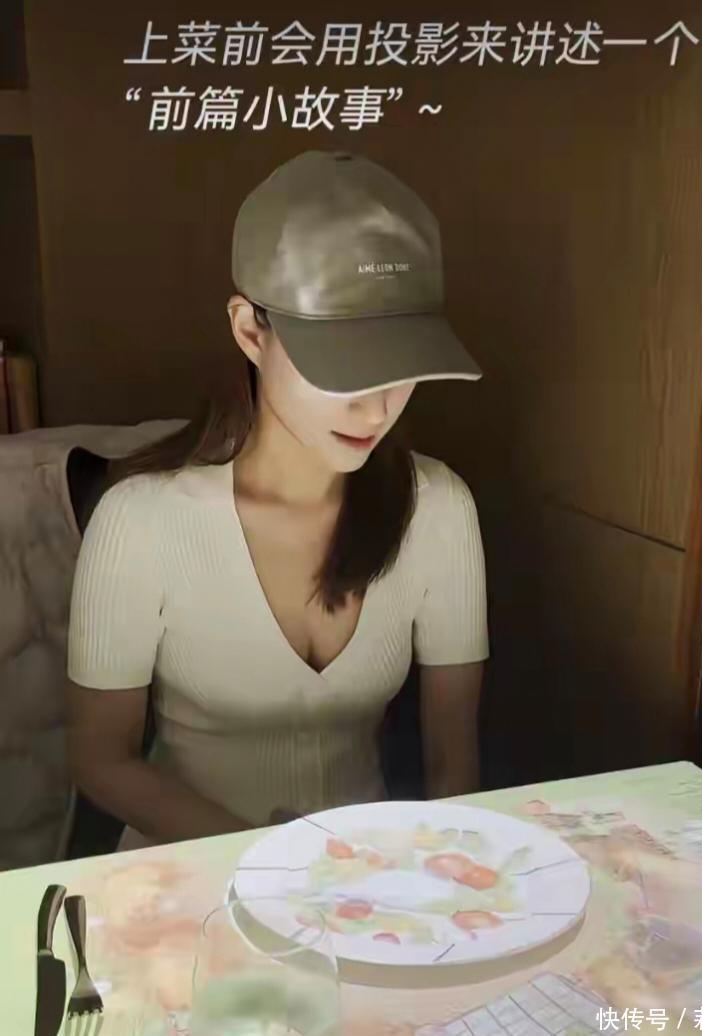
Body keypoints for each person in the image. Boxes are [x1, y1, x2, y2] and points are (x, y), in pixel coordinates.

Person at [66, 150, 489, 850]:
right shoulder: (140, 520)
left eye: (402, 363)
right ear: (249, 331)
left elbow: (454, 768)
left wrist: (439, 883)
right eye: (341, 364)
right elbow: (100, 760)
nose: (375, 407)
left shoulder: (441, 511)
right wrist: (271, 865)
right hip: (184, 878)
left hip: (363, 881)